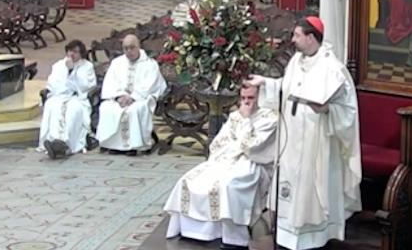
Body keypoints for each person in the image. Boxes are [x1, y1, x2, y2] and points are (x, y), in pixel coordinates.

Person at [245, 16, 362, 250]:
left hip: (316, 140)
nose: (293, 40)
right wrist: (266, 82)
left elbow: (348, 110)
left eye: (297, 35)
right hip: (292, 139)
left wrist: (328, 108)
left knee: (311, 187)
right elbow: (287, 88)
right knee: (289, 185)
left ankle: (314, 238)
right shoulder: (297, 61)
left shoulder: (332, 67)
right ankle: (286, 236)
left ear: (311, 37)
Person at [163, 84, 278, 250]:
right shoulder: (235, 116)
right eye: (243, 98)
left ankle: (232, 236)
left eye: (251, 98)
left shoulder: (269, 119)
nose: (246, 103)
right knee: (187, 180)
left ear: (261, 98)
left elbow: (254, 148)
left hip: (252, 165)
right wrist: (235, 145)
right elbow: (218, 144)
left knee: (227, 186)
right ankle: (191, 231)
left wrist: (246, 123)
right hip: (225, 160)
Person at [96, 34, 166, 155]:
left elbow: (149, 85)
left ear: (138, 46)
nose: (129, 51)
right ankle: (114, 145)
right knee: (107, 108)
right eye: (126, 48)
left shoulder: (150, 64)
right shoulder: (117, 63)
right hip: (119, 98)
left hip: (140, 98)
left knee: (135, 110)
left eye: (132, 47)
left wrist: (132, 97)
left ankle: (135, 146)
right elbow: (110, 83)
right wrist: (119, 96)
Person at [37, 39, 97, 159]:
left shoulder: (87, 66)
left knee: (72, 112)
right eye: (70, 51)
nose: (71, 54)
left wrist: (71, 72)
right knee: (54, 108)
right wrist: (64, 90)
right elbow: (53, 83)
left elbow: (86, 86)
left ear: (81, 54)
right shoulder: (58, 65)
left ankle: (67, 144)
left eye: (75, 52)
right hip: (59, 96)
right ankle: (53, 141)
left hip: (77, 99)